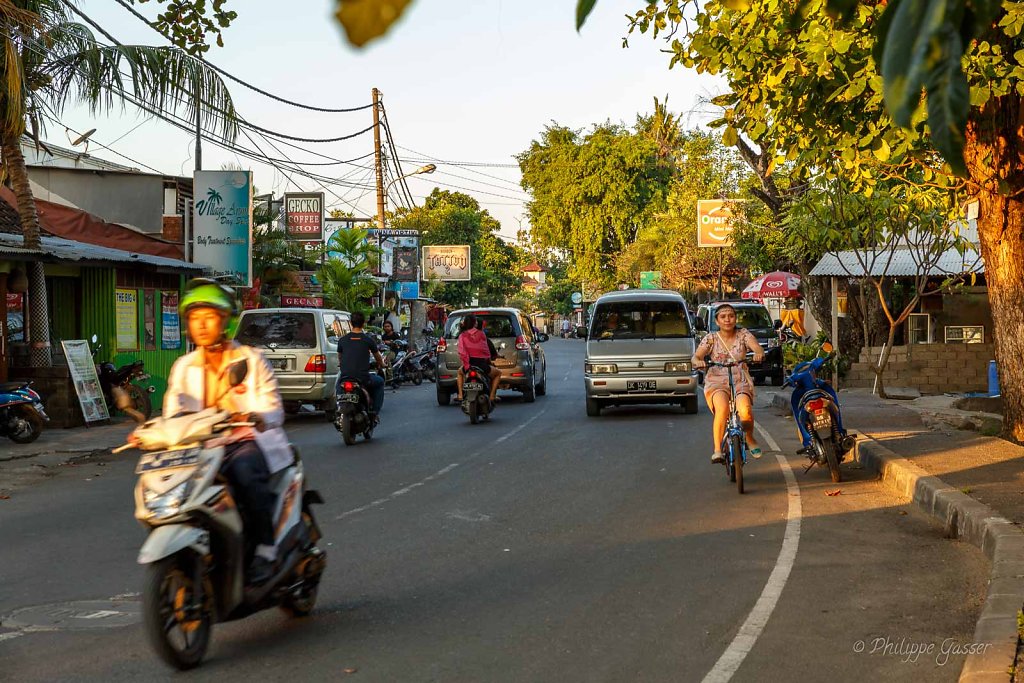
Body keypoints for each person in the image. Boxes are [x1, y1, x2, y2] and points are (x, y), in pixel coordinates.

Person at [155, 278, 291, 585]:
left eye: (209, 318)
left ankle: (266, 549)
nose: (201, 326)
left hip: (243, 441)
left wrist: (255, 415)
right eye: (194, 319)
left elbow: (274, 408)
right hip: (200, 447)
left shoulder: (251, 360)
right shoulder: (184, 366)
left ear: (225, 320)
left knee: (245, 475)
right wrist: (153, 432)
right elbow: (173, 409)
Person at [692, 304, 766, 464]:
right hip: (717, 380)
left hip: (740, 379)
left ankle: (749, 437)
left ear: (735, 318)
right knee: (722, 409)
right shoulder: (710, 338)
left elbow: (757, 348)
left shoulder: (743, 334)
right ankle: (717, 450)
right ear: (717, 321)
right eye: (723, 316)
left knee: (745, 410)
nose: (727, 319)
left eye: (731, 315)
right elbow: (696, 357)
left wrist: (758, 354)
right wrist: (698, 362)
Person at [337, 311, 386, 417]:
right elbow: (378, 357)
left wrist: (341, 364)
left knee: (338, 386)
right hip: (363, 378)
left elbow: (340, 358)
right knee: (380, 382)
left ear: (351, 323)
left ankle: (338, 407)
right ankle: (375, 413)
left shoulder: (342, 340)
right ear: (363, 324)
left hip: (346, 377)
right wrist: (382, 364)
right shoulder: (368, 340)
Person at [456, 314, 502, 406]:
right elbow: (485, 351)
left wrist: (466, 365)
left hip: (469, 365)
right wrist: (488, 361)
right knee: (498, 373)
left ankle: (460, 395)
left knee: (459, 373)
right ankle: (492, 396)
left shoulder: (462, 336)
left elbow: (462, 352)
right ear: (474, 323)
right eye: (476, 321)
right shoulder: (481, 334)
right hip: (481, 365)